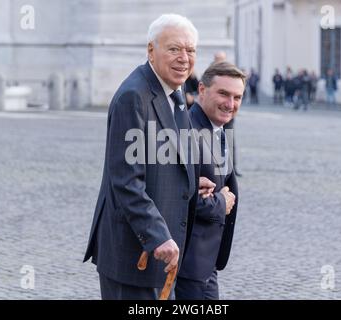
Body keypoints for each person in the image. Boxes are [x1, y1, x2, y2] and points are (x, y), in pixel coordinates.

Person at [83, 13, 215, 300]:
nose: (184, 58)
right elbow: (126, 180)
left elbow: (166, 156)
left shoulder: (173, 92)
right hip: (133, 255)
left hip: (160, 256)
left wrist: (192, 181)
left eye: (191, 50)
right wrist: (157, 236)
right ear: (151, 51)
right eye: (174, 49)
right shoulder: (134, 97)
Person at [175, 61, 244, 300]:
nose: (231, 103)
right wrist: (220, 201)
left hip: (207, 263)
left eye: (237, 97)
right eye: (223, 94)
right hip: (187, 265)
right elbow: (175, 196)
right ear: (202, 90)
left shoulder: (218, 129)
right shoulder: (187, 131)